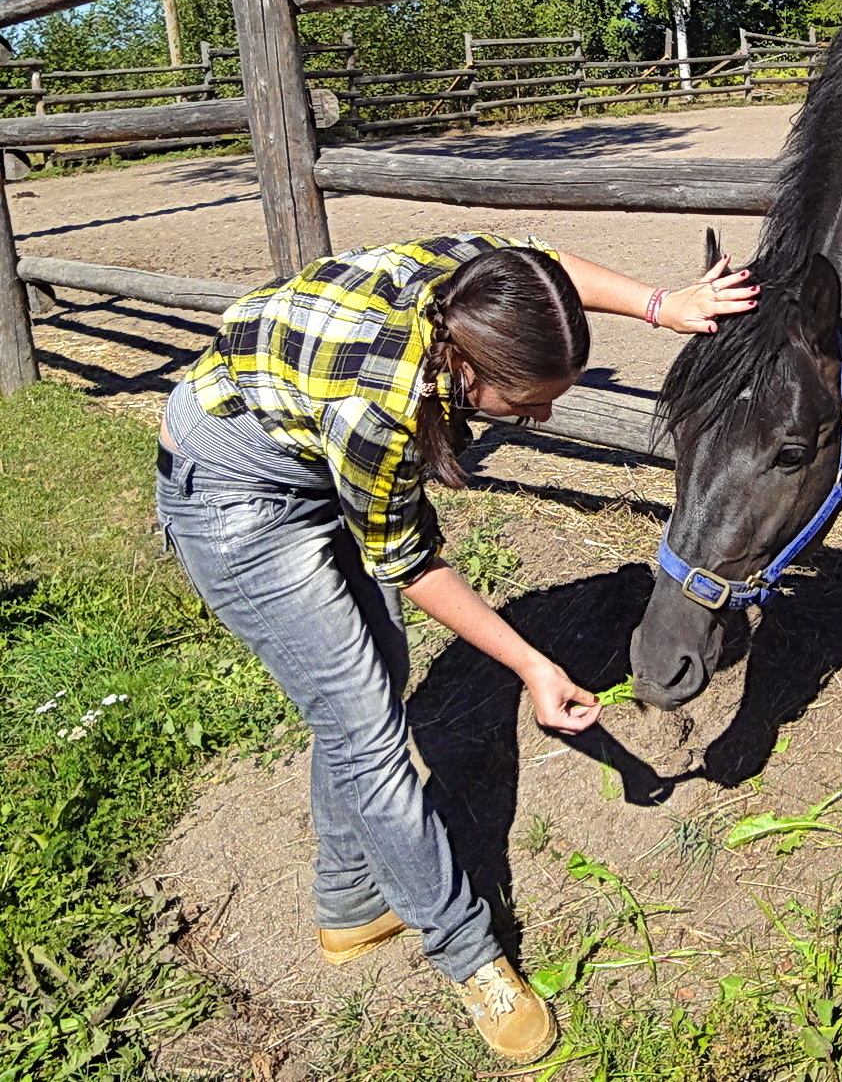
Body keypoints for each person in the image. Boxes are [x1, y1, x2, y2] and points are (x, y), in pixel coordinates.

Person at [155, 231, 757, 1064]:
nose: (541, 416)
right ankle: (468, 954)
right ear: (465, 372)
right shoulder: (382, 409)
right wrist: (532, 666)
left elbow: (544, 267)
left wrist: (663, 306)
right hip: (238, 501)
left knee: (371, 685)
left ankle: (350, 904)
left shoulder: (468, 282)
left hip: (303, 446)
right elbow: (406, 561)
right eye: (527, 402)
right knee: (366, 731)